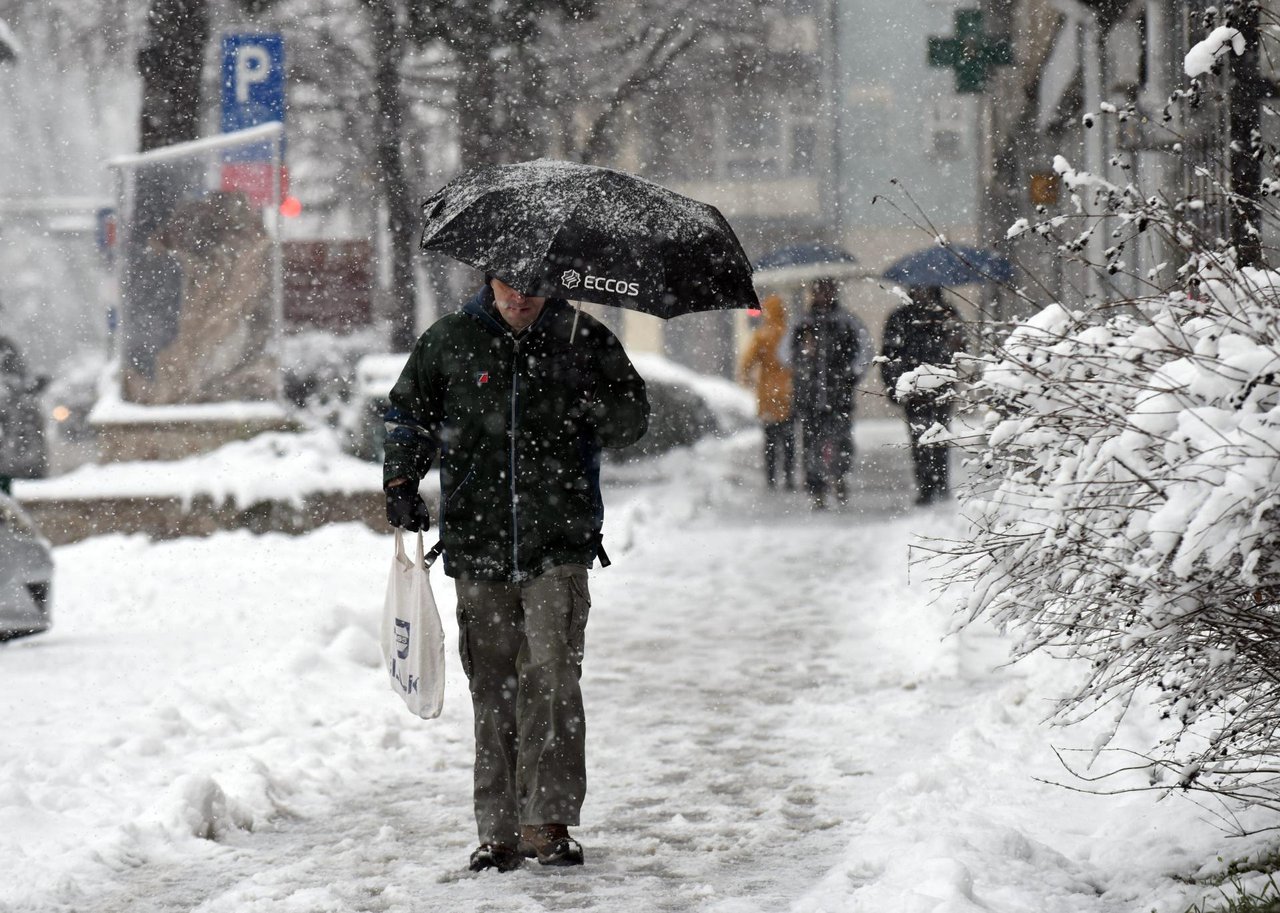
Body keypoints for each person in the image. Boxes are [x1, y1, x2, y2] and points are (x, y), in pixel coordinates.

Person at [382, 275, 649, 873]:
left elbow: (632, 421)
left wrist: (588, 397)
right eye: (509, 282)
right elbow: (408, 417)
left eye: (533, 284)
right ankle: (497, 830)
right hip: (478, 543)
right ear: (489, 279)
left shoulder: (583, 338)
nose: (520, 296)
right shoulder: (450, 341)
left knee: (552, 677)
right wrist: (400, 481)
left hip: (560, 539)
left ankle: (546, 822)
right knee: (494, 684)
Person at [790, 277, 871, 510]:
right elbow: (785, 354)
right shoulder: (802, 323)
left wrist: (850, 375)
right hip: (810, 396)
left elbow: (864, 352)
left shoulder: (847, 322)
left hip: (839, 396)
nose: (822, 296)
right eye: (817, 291)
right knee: (811, 443)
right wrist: (804, 354)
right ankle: (816, 488)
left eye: (826, 290)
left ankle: (839, 477)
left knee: (841, 439)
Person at [879, 286, 965, 505]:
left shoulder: (946, 313)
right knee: (919, 437)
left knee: (939, 434)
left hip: (940, 384)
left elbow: (961, 346)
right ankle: (926, 484)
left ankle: (939, 481)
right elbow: (890, 353)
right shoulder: (901, 318)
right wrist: (894, 385)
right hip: (914, 387)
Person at [737, 294, 795, 490]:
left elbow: (747, 361)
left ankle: (771, 478)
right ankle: (789, 478)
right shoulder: (788, 334)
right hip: (788, 392)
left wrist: (746, 378)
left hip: (768, 394)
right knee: (789, 439)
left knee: (770, 440)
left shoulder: (762, 335)